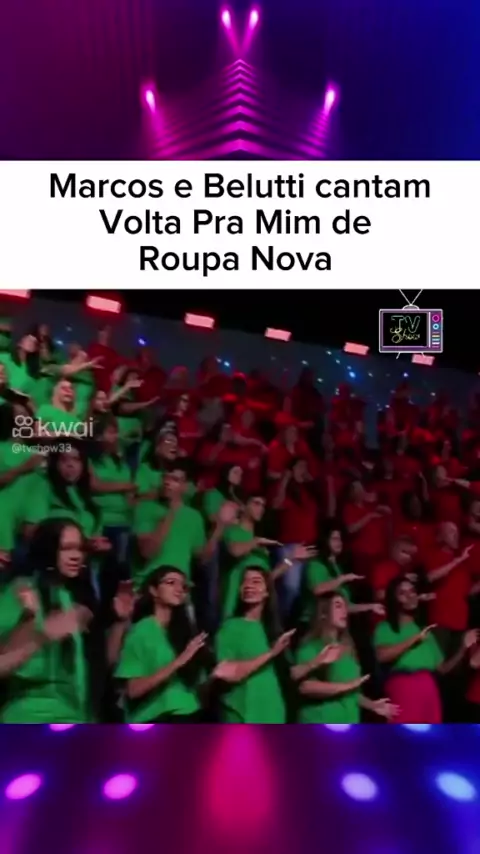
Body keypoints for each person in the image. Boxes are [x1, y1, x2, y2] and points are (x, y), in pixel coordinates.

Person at [0, 519, 95, 723]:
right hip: (30, 716)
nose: (76, 556)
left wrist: (120, 621)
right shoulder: (23, 590)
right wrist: (38, 630)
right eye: (66, 548)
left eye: (80, 548)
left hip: (75, 717)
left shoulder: (74, 598)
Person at [374, 576, 477, 723]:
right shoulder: (385, 627)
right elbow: (381, 655)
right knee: (405, 735)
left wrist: (463, 647)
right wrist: (415, 639)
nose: (410, 595)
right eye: (403, 593)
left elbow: (442, 669)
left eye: (412, 591)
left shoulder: (425, 631)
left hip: (429, 689)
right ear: (393, 599)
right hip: (404, 687)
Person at [115, 567, 208, 723]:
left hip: (190, 713)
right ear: (154, 590)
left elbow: (200, 686)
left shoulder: (186, 631)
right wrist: (178, 662)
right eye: (171, 582)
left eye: (183, 586)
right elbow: (133, 690)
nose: (179, 589)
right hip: (156, 717)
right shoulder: (141, 631)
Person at [294, 593, 398, 723]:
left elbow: (351, 691)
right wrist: (348, 686)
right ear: (323, 613)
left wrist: (372, 705)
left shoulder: (348, 648)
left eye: (345, 607)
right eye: (338, 606)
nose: (344, 611)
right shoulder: (312, 647)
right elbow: (305, 687)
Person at [213, 567, 293, 723]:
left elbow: (289, 673)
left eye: (256, 581)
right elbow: (227, 673)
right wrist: (271, 653)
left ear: (267, 592)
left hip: (273, 713)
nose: (248, 585)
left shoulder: (272, 631)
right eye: (245, 582)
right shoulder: (231, 627)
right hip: (243, 714)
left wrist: (316, 662)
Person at [222, 492, 315, 620]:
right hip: (234, 600)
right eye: (256, 503)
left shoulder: (262, 547)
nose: (260, 509)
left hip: (258, 608)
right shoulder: (233, 530)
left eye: (263, 506)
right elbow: (234, 551)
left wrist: (291, 559)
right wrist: (256, 542)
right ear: (244, 506)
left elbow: (268, 578)